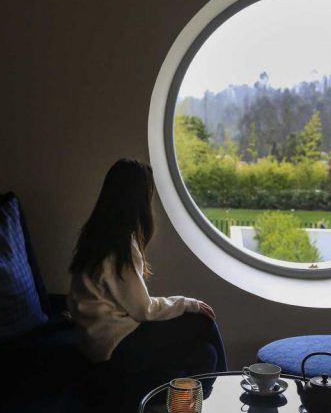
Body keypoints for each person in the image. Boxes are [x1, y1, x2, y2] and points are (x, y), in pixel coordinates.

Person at [67, 158, 226, 376]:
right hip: (114, 341)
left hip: (96, 338)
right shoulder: (120, 246)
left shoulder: (95, 235)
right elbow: (143, 309)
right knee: (203, 322)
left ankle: (218, 383)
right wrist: (188, 303)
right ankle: (228, 383)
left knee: (206, 354)